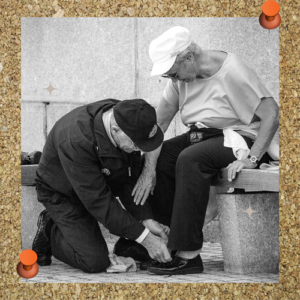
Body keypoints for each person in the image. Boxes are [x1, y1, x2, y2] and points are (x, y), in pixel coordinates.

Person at [132, 26, 279, 275]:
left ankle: (189, 255)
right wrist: (148, 168)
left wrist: (252, 159)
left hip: (240, 138)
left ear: (188, 57)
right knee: (163, 157)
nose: (174, 79)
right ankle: (166, 241)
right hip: (201, 136)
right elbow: (161, 124)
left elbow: (272, 114)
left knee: (191, 158)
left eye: (174, 73)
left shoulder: (231, 70)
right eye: (169, 76)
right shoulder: (181, 78)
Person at [32, 99, 172, 273]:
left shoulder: (128, 117)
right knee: (94, 262)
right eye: (137, 145)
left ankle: (72, 228)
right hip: (62, 194)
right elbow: (99, 203)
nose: (139, 149)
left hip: (96, 187)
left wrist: (146, 219)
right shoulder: (75, 140)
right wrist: (146, 238)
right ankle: (49, 226)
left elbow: (128, 179)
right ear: (115, 130)